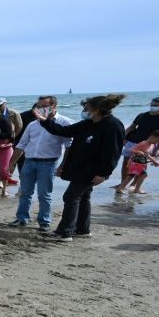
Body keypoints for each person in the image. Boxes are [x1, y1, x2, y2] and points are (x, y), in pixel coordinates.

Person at [38, 94, 126, 242]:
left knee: (70, 197)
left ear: (97, 109)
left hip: (93, 171)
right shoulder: (87, 123)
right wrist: (46, 121)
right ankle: (82, 230)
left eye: (87, 107)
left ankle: (64, 232)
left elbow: (113, 152)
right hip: (81, 168)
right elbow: (64, 131)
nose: (85, 110)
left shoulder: (113, 125)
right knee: (83, 197)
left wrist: (103, 173)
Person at [6, 95, 72, 230]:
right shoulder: (32, 124)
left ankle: (44, 221)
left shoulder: (64, 122)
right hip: (29, 162)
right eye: (38, 106)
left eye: (44, 106)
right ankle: (22, 218)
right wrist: (11, 162)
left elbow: (69, 146)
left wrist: (63, 165)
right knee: (25, 192)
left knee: (44, 194)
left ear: (54, 106)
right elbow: (21, 144)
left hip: (48, 163)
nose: (40, 109)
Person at [116, 96, 159, 193]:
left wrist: (157, 149)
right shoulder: (142, 115)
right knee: (126, 162)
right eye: (151, 104)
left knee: (141, 165)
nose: (153, 106)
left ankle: (133, 185)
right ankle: (122, 184)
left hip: (148, 144)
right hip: (132, 141)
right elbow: (131, 128)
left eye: (156, 105)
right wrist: (123, 138)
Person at [121, 130, 159, 194]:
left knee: (131, 176)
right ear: (152, 137)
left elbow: (147, 155)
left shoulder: (151, 145)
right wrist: (138, 151)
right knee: (143, 175)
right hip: (135, 162)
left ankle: (121, 188)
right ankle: (136, 189)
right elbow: (131, 149)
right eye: (158, 140)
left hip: (141, 163)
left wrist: (154, 161)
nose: (158, 142)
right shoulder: (143, 143)